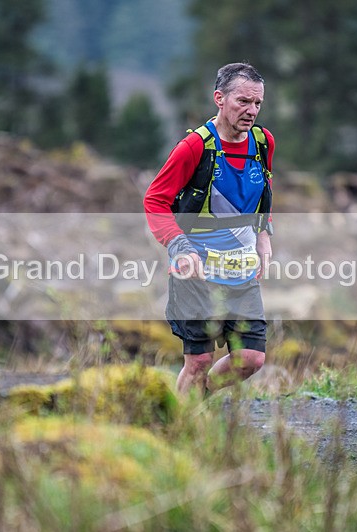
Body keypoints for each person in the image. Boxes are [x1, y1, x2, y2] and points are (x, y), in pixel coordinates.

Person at [144, 62, 275, 396]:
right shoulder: (195, 147)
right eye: (243, 101)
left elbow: (263, 193)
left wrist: (263, 236)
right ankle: (183, 419)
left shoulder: (263, 143)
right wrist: (179, 247)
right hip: (196, 273)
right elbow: (155, 200)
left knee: (251, 358)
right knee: (199, 361)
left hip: (241, 271)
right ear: (219, 98)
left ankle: (195, 402)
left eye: (257, 103)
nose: (251, 110)